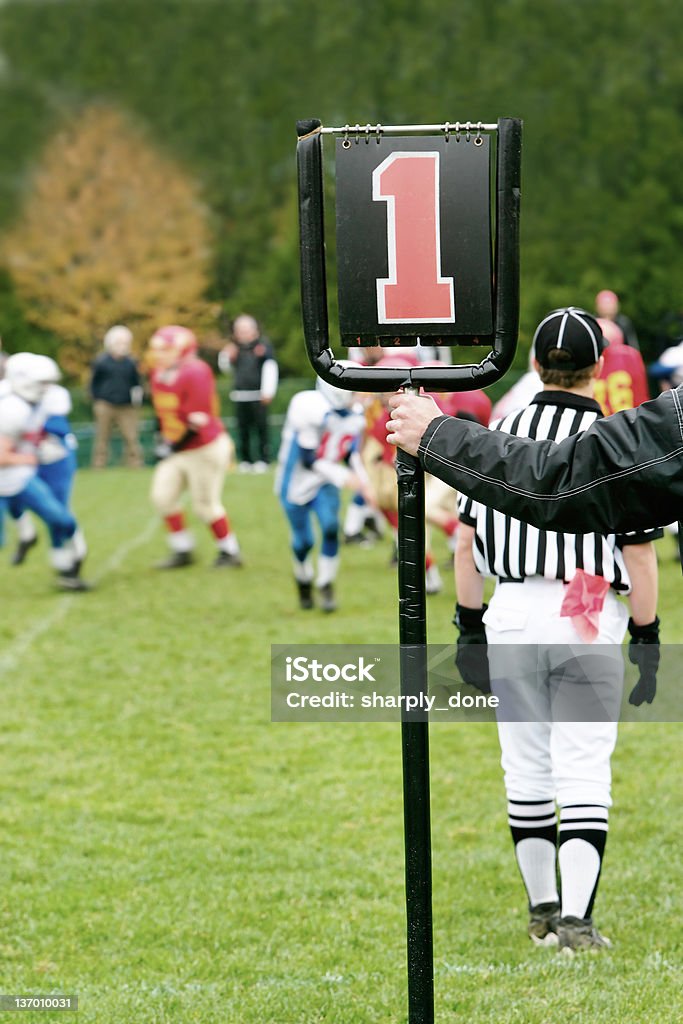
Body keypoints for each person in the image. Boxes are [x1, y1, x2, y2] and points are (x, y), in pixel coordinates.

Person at [452, 307, 661, 952]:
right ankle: (576, 919)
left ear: (537, 364)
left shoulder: (501, 431)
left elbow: (463, 546)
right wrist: (649, 639)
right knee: (582, 765)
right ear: (599, 368)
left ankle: (543, 912)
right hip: (587, 607)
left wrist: (467, 629)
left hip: (511, 608)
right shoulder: (616, 437)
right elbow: (641, 553)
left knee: (526, 768)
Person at [385, 367, 683, 541]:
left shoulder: (509, 422)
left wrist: (436, 433)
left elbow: (558, 481)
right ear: (598, 365)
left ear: (538, 365)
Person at [275, 370, 372, 612]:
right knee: (303, 541)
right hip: (296, 481)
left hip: (324, 481)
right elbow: (308, 459)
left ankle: (326, 583)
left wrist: (363, 480)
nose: (361, 396)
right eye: (355, 390)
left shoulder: (355, 416)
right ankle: (303, 577)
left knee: (330, 528)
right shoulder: (308, 408)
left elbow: (350, 453)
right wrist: (343, 476)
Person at [148, 325, 241, 569]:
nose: (159, 354)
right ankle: (183, 549)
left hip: (203, 447)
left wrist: (172, 446)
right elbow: (162, 413)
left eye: (165, 349)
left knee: (205, 505)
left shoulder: (196, 372)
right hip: (178, 447)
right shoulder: (159, 373)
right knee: (162, 497)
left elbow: (197, 422)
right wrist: (163, 439)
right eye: (157, 349)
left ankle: (229, 552)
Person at [0, 353, 89, 590]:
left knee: (60, 517)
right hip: (14, 472)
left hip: (27, 474)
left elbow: (57, 429)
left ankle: (67, 562)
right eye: (41, 383)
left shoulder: (51, 397)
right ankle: (31, 537)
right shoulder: (10, 407)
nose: (46, 388)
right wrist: (28, 456)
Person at [8, 378, 78, 566]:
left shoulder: (54, 395)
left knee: (58, 512)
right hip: (19, 465)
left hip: (53, 459)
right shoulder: (9, 398)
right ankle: (27, 534)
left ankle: (71, 556)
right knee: (13, 500)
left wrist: (34, 432)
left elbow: (60, 428)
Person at [218, 314, 278, 472]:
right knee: (243, 430)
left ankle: (263, 460)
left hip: (259, 394)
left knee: (261, 429)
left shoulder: (263, 347)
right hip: (240, 395)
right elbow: (225, 369)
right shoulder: (233, 349)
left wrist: (268, 391)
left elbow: (271, 368)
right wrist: (227, 357)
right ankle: (245, 460)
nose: (243, 333)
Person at [90, 325, 144, 468]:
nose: (122, 346)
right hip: (105, 404)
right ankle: (98, 465)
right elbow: (94, 383)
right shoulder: (101, 361)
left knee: (131, 437)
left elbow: (137, 383)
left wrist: (136, 401)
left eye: (125, 343)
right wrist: (97, 400)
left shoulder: (131, 363)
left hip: (126, 405)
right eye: (119, 342)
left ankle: (135, 464)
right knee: (102, 437)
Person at [593, 319, 650, 416]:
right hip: (628, 421)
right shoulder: (631, 355)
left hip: (598, 422)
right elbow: (641, 397)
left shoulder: (592, 358)